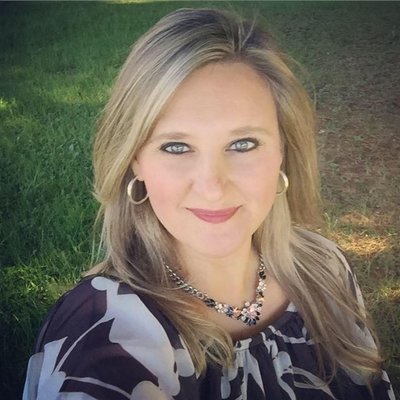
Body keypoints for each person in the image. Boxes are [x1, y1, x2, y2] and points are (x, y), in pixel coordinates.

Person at [23, 8, 394, 400]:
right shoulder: (103, 333)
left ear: (283, 151)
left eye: (243, 144)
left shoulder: (325, 267)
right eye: (176, 147)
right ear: (135, 160)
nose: (213, 187)